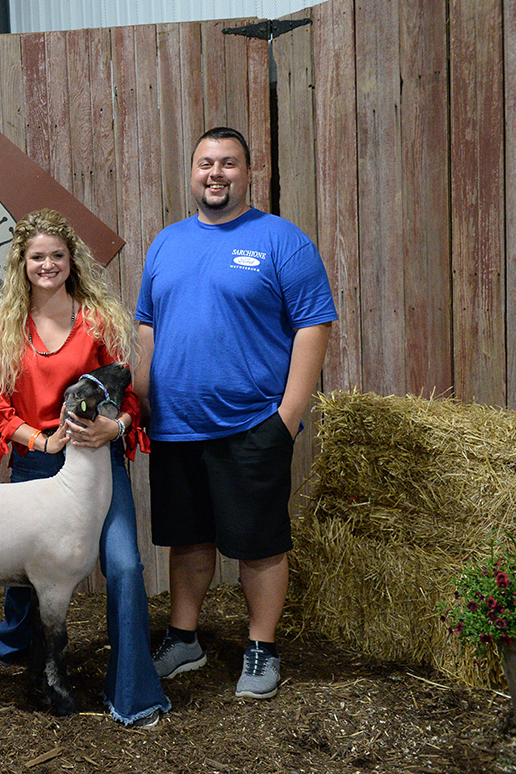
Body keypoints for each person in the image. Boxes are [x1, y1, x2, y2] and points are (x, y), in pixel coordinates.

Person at [134, 127, 337, 699]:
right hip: (175, 425)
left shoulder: (282, 240)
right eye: (206, 163)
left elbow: (314, 324)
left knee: (259, 544)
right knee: (188, 540)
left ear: (248, 173)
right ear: (192, 173)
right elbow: (147, 325)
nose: (215, 173)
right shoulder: (166, 243)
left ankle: (261, 646)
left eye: (228, 163)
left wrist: (287, 417)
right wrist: (144, 400)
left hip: (251, 423)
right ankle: (183, 638)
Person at [0, 207, 170, 728]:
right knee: (21, 565)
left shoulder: (97, 320)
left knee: (123, 565)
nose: (48, 265)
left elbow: (128, 397)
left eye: (57, 255)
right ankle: (13, 641)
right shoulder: (3, 327)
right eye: (37, 256)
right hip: (36, 459)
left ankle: (133, 692)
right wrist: (43, 441)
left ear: (71, 260)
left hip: (96, 462)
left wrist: (115, 429)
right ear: (22, 263)